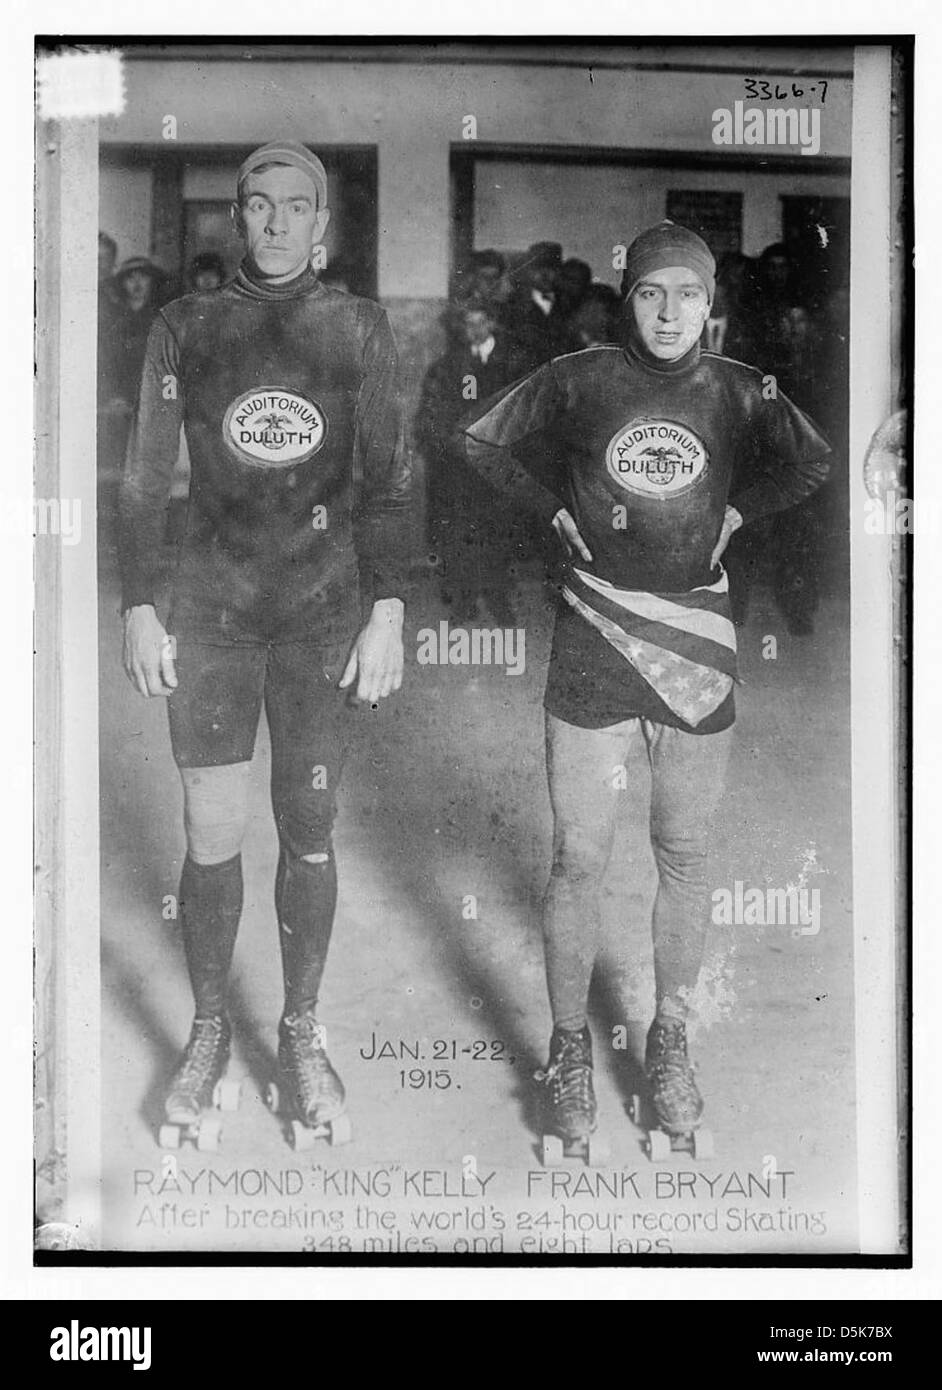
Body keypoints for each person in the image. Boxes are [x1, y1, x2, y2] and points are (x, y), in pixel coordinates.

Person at [459, 221, 831, 1152]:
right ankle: (568, 1046)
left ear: (713, 307)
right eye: (653, 294)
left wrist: (742, 509)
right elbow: (478, 442)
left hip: (696, 641)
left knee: (685, 853)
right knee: (579, 858)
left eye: (690, 296)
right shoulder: (580, 374)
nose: (670, 313)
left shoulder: (745, 388)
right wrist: (549, 508)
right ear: (629, 298)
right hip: (592, 633)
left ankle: (670, 1037)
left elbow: (818, 459)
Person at [119, 140, 412, 1141]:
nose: (277, 221)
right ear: (234, 218)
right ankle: (207, 1029)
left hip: (323, 611)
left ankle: (300, 1025)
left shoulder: (359, 327)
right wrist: (140, 600)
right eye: (258, 204)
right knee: (212, 831)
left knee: (310, 826)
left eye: (297, 206)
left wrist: (390, 607)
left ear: (322, 225)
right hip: (211, 608)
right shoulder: (185, 326)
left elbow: (390, 481)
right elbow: (145, 476)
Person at [417, 296, 530, 624]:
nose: (473, 330)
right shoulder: (447, 366)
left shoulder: (514, 361)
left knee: (499, 532)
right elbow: (432, 411)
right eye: (467, 324)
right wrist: (449, 443)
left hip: (498, 465)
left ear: (493, 323)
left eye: (480, 322)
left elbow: (523, 411)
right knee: (458, 532)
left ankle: (498, 598)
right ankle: (463, 600)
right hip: (458, 467)